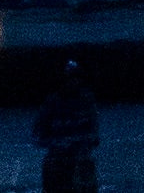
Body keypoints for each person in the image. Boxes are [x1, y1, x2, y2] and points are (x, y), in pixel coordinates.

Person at [34, 57, 103, 193]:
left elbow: (93, 126)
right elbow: (39, 130)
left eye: (75, 78)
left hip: (81, 153)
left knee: (86, 175)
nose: (72, 82)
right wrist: (53, 142)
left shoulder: (86, 100)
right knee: (52, 174)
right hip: (58, 153)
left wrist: (88, 140)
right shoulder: (52, 102)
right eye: (68, 79)